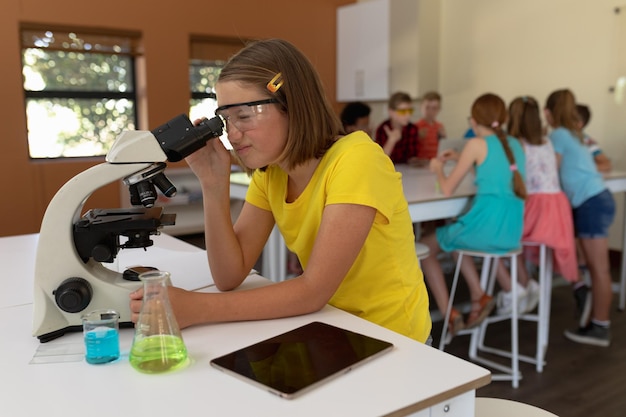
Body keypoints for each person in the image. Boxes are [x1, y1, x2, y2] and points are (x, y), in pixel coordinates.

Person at [130, 39, 432, 343]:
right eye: (226, 120)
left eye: (244, 116)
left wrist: (196, 308)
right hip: (332, 328)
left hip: (395, 340)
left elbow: (312, 290)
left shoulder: (357, 159)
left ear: (293, 106)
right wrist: (213, 183)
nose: (233, 135)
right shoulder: (271, 174)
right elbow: (229, 276)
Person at [419, 93, 526, 337]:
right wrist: (462, 159)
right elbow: (496, 169)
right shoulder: (515, 144)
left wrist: (438, 169)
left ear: (474, 121)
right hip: (510, 233)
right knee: (455, 236)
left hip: (485, 230)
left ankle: (448, 313)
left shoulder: (476, 144)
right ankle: (478, 295)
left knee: (426, 245)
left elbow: (446, 189)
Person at [493, 96, 578, 316]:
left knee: (500, 233)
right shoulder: (546, 141)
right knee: (509, 234)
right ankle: (526, 281)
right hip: (557, 209)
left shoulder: (516, 144)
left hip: (536, 209)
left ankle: (519, 285)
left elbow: (508, 177)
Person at [545, 89, 616, 347]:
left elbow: (550, 171)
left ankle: (600, 327)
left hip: (591, 203)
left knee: (600, 269)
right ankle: (594, 317)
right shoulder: (575, 134)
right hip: (598, 199)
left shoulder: (558, 135)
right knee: (597, 268)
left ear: (548, 112)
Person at [374, 91, 420, 164]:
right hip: (387, 171)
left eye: (410, 111)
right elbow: (379, 161)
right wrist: (391, 141)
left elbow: (413, 157)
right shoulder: (382, 129)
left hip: (408, 172)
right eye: (402, 111)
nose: (408, 115)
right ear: (391, 112)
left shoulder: (412, 129)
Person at [576, 104, 612, 173]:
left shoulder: (587, 141)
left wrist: (583, 168)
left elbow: (606, 164)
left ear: (579, 124)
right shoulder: (559, 137)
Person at [415, 91, 447, 160]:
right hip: (421, 163)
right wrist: (417, 137)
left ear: (439, 109)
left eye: (434, 108)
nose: (430, 111)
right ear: (421, 107)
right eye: (427, 107)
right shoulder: (416, 127)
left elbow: (444, 148)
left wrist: (444, 138)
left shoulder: (440, 126)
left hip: (436, 161)